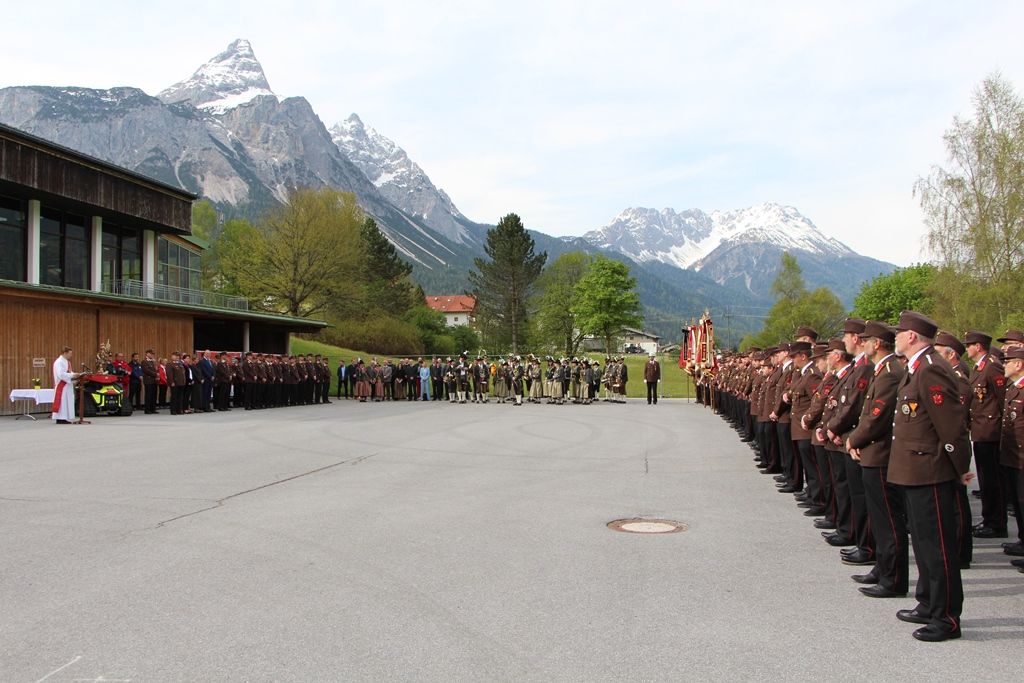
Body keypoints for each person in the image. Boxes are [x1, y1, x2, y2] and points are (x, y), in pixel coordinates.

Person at [889, 310, 972, 642]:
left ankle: (947, 617)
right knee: (923, 545)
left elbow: (952, 427)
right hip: (915, 470)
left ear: (912, 337)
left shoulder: (931, 369)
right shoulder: (917, 369)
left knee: (937, 548)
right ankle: (928, 603)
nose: (894, 337)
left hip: (931, 471)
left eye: (899, 332)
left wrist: (959, 469)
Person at [963, 331, 1008, 539]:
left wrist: (1002, 429)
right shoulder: (980, 366)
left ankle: (996, 523)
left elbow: (1002, 399)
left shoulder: (992, 365)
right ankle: (989, 519)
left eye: (969, 345)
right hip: (981, 430)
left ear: (978, 346)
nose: (967, 349)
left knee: (993, 480)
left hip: (991, 430)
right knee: (985, 479)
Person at [51, 346, 80, 424]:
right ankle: (60, 418)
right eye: (70, 353)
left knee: (67, 401)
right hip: (62, 385)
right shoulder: (59, 362)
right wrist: (72, 376)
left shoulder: (67, 362)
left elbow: (69, 372)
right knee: (62, 402)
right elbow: (60, 374)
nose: (71, 355)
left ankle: (65, 417)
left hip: (67, 385)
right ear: (65, 353)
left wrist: (75, 374)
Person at [142, 349, 159, 414]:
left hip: (154, 380)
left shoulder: (152, 362)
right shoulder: (144, 361)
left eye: (153, 354)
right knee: (148, 395)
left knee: (154, 395)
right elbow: (146, 370)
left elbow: (156, 369)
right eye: (151, 354)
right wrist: (155, 374)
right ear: (147, 354)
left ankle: (153, 409)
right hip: (148, 380)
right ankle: (147, 409)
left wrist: (157, 374)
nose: (152, 355)